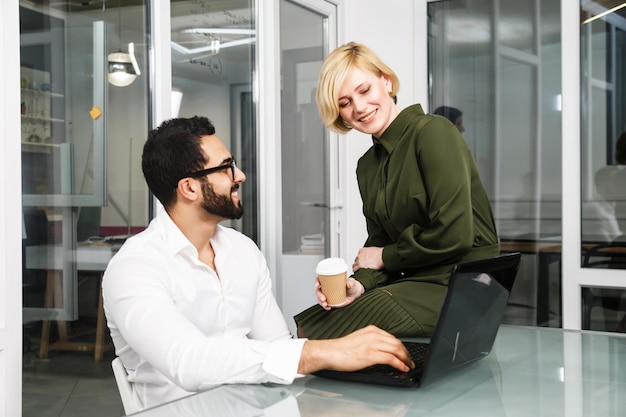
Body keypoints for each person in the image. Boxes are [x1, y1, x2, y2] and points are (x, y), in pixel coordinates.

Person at [102, 116, 414, 410]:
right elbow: (189, 361)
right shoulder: (134, 268)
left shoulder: (242, 250)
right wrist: (330, 351)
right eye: (226, 168)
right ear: (189, 187)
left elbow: (276, 345)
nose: (240, 176)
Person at [294, 42, 499, 340]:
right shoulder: (367, 166)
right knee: (311, 323)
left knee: (315, 331)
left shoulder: (433, 132)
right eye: (345, 102)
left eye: (364, 91)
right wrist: (359, 284)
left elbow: (455, 235)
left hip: (463, 284)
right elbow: (380, 242)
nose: (359, 108)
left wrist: (384, 258)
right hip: (414, 282)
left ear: (386, 82)